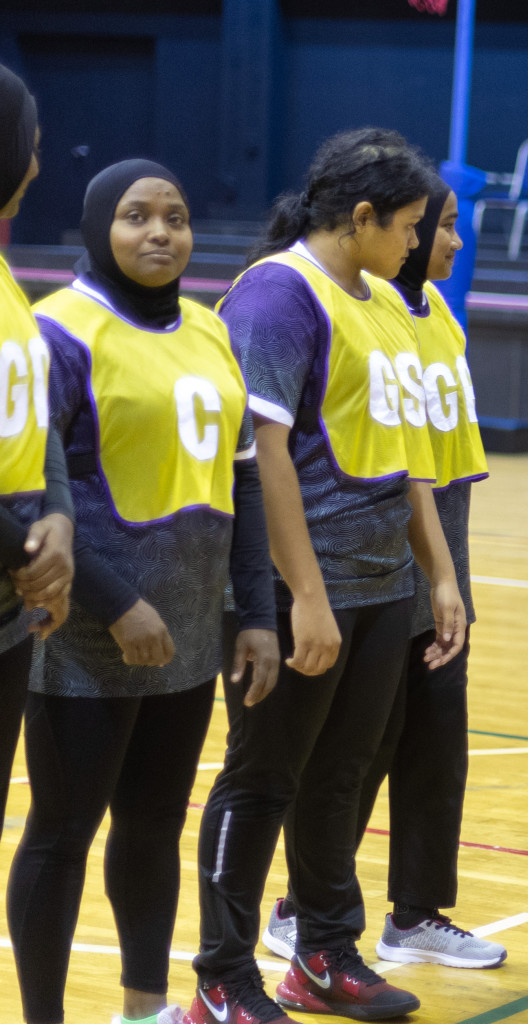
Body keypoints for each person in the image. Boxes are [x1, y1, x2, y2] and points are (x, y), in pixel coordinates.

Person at [189, 128, 461, 1024]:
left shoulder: (381, 298)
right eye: (410, 225)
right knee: (260, 778)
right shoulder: (275, 293)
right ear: (362, 216)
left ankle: (324, 955)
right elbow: (259, 455)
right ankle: (223, 978)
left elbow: (409, 455)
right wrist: (301, 596)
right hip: (301, 587)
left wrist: (440, 577)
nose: (417, 242)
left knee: (342, 774)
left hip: (384, 585)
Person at [9, 160, 277, 1024]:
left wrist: (255, 614)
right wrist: (116, 602)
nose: (159, 233)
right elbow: (43, 493)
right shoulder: (58, 330)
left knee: (155, 824)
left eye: (176, 216)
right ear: (99, 227)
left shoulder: (211, 330)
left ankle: (142, 1009)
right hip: (89, 629)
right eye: (135, 216)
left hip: (191, 631)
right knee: (61, 832)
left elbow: (242, 487)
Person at [262, 179, 505, 970]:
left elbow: (433, 469)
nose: (448, 242)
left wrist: (446, 571)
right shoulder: (339, 311)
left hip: (438, 541)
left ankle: (416, 912)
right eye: (438, 226)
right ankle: (305, 909)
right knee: (355, 746)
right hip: (367, 554)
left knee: (437, 731)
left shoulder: (435, 319)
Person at [0, 59, 74, 876]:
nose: (37, 165)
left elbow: (38, 422)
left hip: (11, 599)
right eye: (31, 145)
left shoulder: (6, 276)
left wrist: (55, 519)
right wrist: (30, 553)